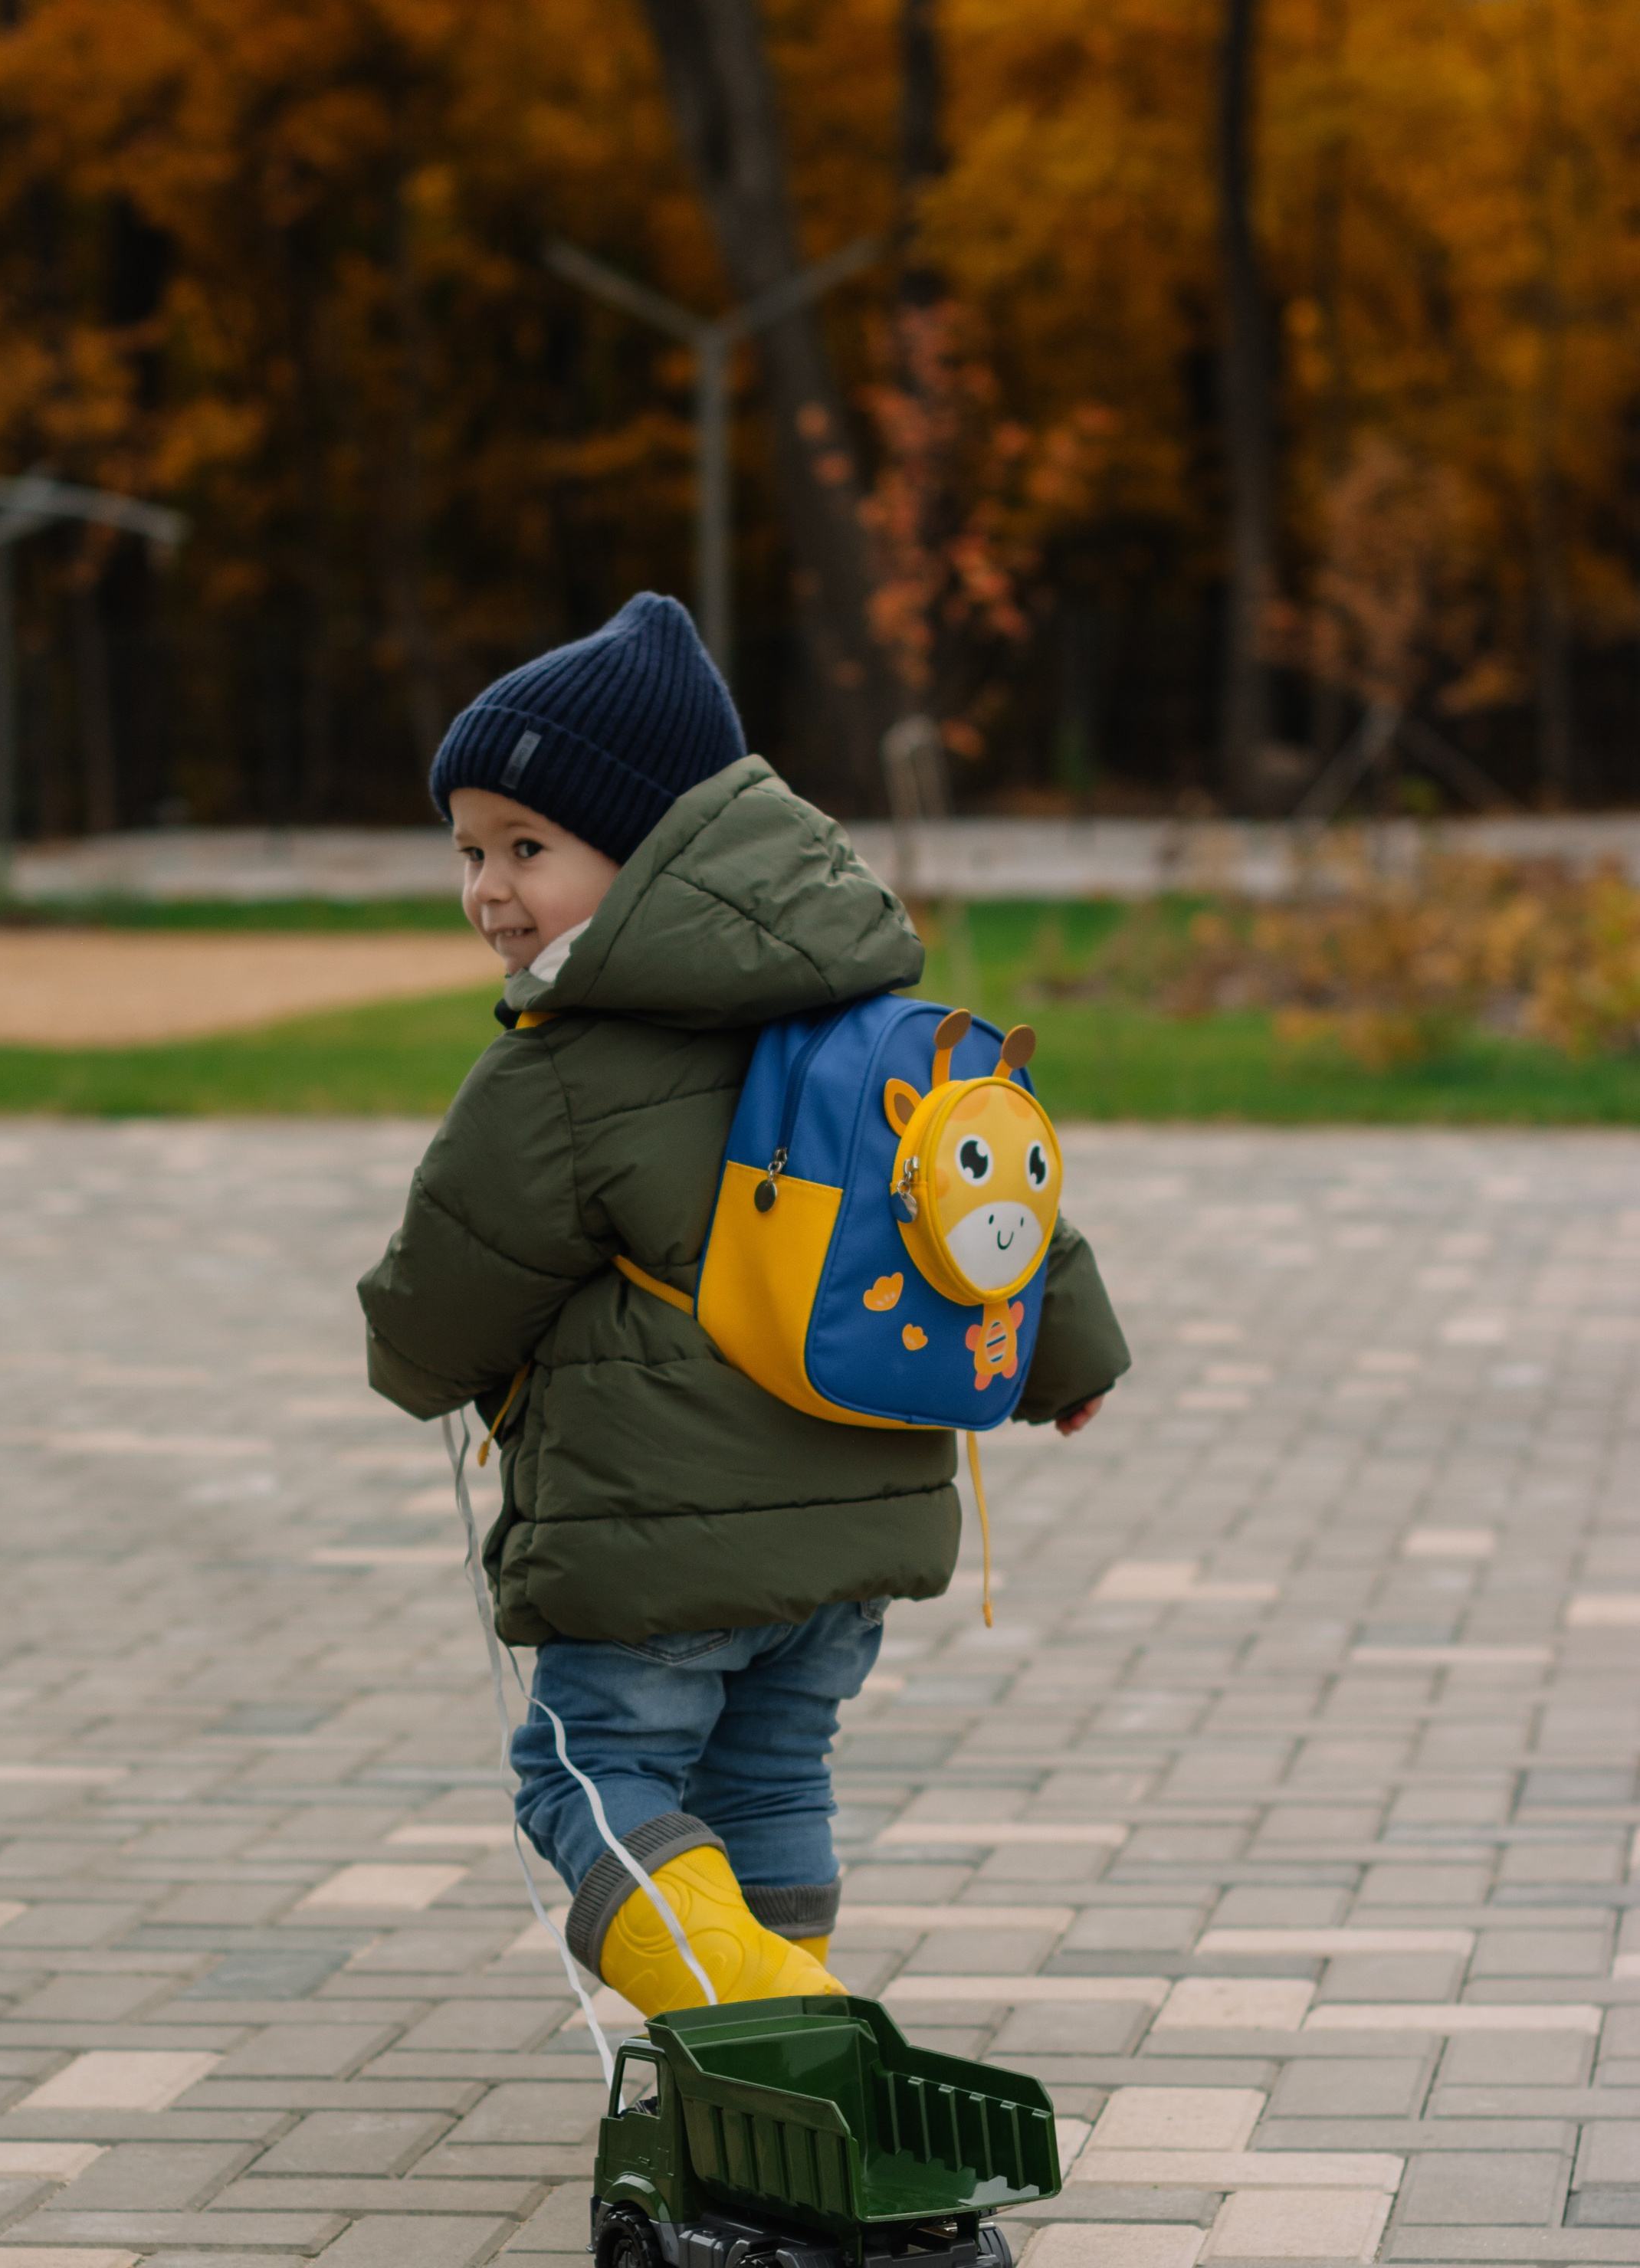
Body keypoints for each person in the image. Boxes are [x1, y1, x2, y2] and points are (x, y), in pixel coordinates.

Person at [358, 593, 1129, 2020]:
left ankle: (775, 2021)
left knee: (589, 1777)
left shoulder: (564, 1068)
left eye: (528, 847)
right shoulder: (873, 1014)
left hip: (657, 1545)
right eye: (469, 851)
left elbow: (443, 1297)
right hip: (855, 1529)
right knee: (770, 1779)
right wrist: (1066, 1359)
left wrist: (409, 1362)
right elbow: (981, 1193)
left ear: (652, 844)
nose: (489, 891)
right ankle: (789, 2077)